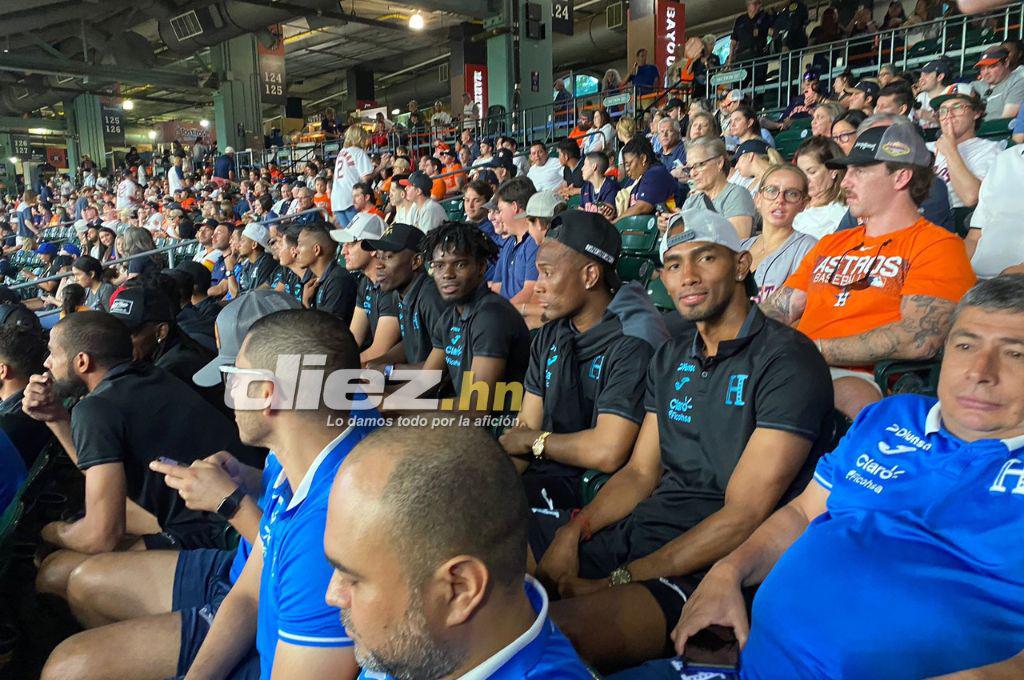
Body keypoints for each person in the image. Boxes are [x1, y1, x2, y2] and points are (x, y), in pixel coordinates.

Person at [669, 275, 1024, 679]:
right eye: (966, 345)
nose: (980, 371)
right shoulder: (891, 415)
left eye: (1015, 354)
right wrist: (727, 572)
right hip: (738, 662)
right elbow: (803, 514)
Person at [531, 208, 834, 672]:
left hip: (709, 566)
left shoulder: (787, 360)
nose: (687, 276)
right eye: (673, 264)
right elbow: (639, 473)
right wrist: (574, 531)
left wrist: (619, 580)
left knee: (545, 643)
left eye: (705, 258)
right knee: (497, 587)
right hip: (639, 535)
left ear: (741, 265)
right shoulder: (671, 356)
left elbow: (743, 514)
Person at [40, 293, 299, 680]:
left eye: (236, 377)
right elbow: (254, 576)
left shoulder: (334, 472)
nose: (228, 396)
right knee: (68, 576)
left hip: (225, 546)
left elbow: (100, 535)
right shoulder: (284, 452)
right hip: (235, 562)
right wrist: (246, 480)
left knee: (64, 605)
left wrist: (51, 530)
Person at [182, 309, 375, 680]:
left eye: (236, 377)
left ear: (267, 394)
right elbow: (249, 592)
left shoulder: (328, 527)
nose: (230, 392)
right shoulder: (294, 467)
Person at [324, 425, 593, 679]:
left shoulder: (409, 642)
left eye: (353, 579)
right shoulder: (418, 648)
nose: (332, 595)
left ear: (459, 588)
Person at [25, 312, 260, 601]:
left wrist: (51, 531)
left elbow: (100, 536)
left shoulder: (95, 408)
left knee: (55, 572)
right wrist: (56, 418)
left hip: (225, 534)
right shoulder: (153, 375)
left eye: (52, 353)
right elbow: (100, 478)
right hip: (228, 514)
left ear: (82, 362)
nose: (46, 363)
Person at [761, 124, 976, 419]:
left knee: (822, 395)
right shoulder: (832, 243)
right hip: (790, 363)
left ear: (901, 177)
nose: (845, 181)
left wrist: (812, 349)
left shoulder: (938, 246)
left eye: (859, 171)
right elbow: (783, 306)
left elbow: (919, 339)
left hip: (858, 377)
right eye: (847, 171)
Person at [499, 210, 667, 508]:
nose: (538, 285)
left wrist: (535, 441)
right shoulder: (552, 333)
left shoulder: (633, 340)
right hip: (545, 472)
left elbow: (607, 451)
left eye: (548, 273)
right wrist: (491, 485)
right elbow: (525, 427)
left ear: (590, 276)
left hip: (595, 493)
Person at [421, 221, 530, 413]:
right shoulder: (449, 317)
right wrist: (385, 399)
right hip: (467, 424)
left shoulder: (492, 317)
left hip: (501, 427)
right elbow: (425, 382)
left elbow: (476, 407)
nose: (447, 274)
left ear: (481, 267)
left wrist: (397, 405)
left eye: (460, 264)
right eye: (439, 266)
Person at [363, 223, 448, 367]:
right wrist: (377, 362)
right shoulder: (398, 293)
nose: (379, 265)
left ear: (416, 261)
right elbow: (410, 344)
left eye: (388, 257)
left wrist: (392, 370)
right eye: (379, 256)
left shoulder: (431, 296)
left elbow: (447, 360)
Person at [330, 213, 401, 364]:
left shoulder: (391, 287)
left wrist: (336, 367)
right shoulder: (366, 282)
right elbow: (353, 339)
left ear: (373, 248)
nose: (343, 251)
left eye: (351, 243)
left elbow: (379, 351)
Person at [741, 165, 818, 301]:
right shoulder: (740, 246)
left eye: (792, 194)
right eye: (771, 190)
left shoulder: (809, 248)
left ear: (803, 204)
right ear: (758, 199)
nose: (780, 200)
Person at [928, 84, 1003, 210]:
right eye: (943, 110)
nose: (949, 115)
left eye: (957, 107)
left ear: (976, 113)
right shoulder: (925, 148)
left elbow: (971, 198)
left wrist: (950, 151)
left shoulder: (990, 150)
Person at [964, 144, 1024, 278]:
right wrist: (951, 263)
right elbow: (974, 237)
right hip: (977, 279)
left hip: (1013, 283)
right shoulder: (1005, 159)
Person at [681, 136, 757, 238]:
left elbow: (735, 241)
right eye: (689, 168)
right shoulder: (691, 202)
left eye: (699, 165)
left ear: (719, 163)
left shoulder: (737, 195)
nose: (692, 173)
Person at [491, 176, 541, 308]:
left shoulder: (534, 242)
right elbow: (497, 287)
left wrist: (503, 314)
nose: (499, 217)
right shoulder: (508, 243)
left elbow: (530, 292)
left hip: (519, 317)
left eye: (500, 211)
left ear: (514, 207)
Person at [296, 222, 357, 324]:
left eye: (300, 244)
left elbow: (328, 329)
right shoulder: (312, 278)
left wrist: (306, 303)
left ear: (316, 250)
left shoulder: (338, 280)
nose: (296, 250)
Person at [792, 136, 848, 239]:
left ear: (833, 171)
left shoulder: (841, 213)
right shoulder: (794, 201)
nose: (805, 179)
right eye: (801, 173)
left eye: (812, 172)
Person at [617, 137, 679, 222]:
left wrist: (615, 222)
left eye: (629, 164)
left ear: (643, 158)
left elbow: (642, 207)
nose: (626, 169)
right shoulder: (634, 179)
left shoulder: (656, 173)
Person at [331, 126, 374, 227]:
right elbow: (366, 178)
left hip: (337, 198)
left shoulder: (342, 151)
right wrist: (381, 166)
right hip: (351, 197)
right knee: (358, 231)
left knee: (348, 233)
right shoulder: (358, 152)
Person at [972, 45, 1024, 119]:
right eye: (982, 68)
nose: (986, 72)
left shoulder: (1018, 83)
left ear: (1006, 63)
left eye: (991, 67)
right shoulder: (975, 85)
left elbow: (1006, 119)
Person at [231, 222, 277, 296]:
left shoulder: (267, 262)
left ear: (254, 244)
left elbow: (257, 296)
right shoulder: (246, 265)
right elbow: (238, 295)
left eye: (242, 240)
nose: (239, 245)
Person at [580, 152, 620, 220]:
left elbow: (608, 216)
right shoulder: (585, 187)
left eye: (585, 165)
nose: (582, 169)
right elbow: (581, 211)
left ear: (594, 167)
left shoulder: (611, 187)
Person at [916, 58, 954, 129]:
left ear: (940, 77)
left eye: (926, 75)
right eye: (921, 75)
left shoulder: (952, 94)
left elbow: (957, 125)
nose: (921, 79)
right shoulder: (920, 97)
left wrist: (932, 118)